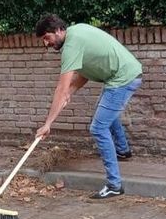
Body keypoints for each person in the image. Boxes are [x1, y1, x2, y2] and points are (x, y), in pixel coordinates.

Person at [35, 14, 143, 200]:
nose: (46, 43)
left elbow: (60, 88)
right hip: (120, 76)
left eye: (47, 37)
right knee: (106, 114)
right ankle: (123, 150)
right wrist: (71, 91)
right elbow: (84, 73)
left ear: (59, 30)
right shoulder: (77, 32)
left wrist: (48, 123)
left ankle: (114, 185)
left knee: (98, 127)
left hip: (122, 79)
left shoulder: (71, 45)